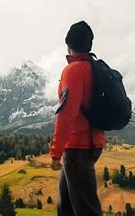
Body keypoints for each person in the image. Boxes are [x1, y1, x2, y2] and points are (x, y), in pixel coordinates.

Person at [50, 21, 105, 216]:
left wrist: (56, 153)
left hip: (77, 150)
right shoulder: (96, 68)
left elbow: (66, 115)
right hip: (94, 144)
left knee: (86, 211)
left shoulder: (73, 70)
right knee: (65, 207)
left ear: (69, 45)